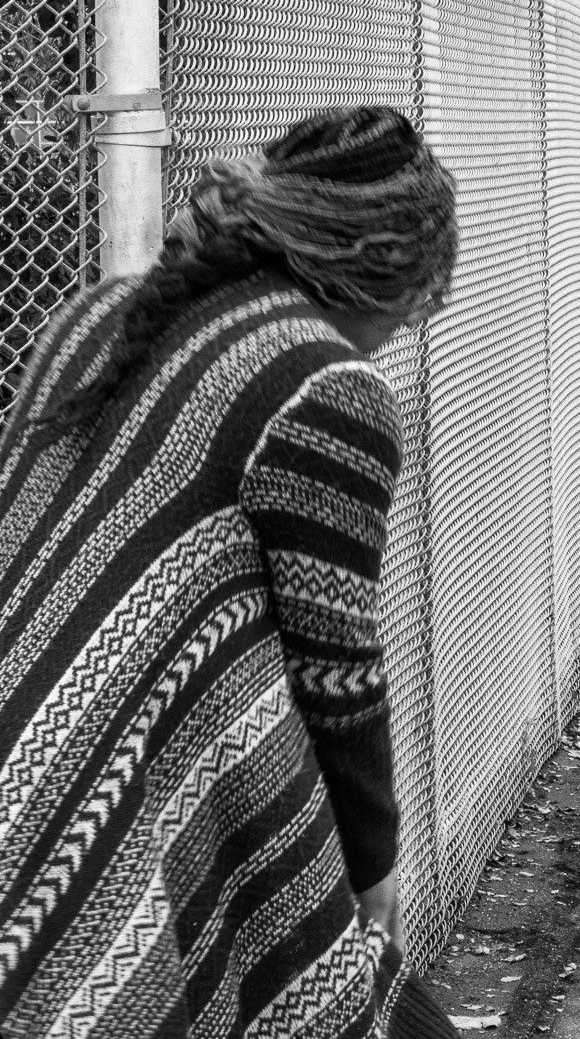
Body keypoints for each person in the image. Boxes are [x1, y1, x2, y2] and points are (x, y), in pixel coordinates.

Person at [0, 108, 459, 1038]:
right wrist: (373, 882)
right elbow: (338, 681)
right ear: (383, 269)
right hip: (87, 821)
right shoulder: (323, 384)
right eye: (422, 297)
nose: (413, 322)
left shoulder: (86, 316)